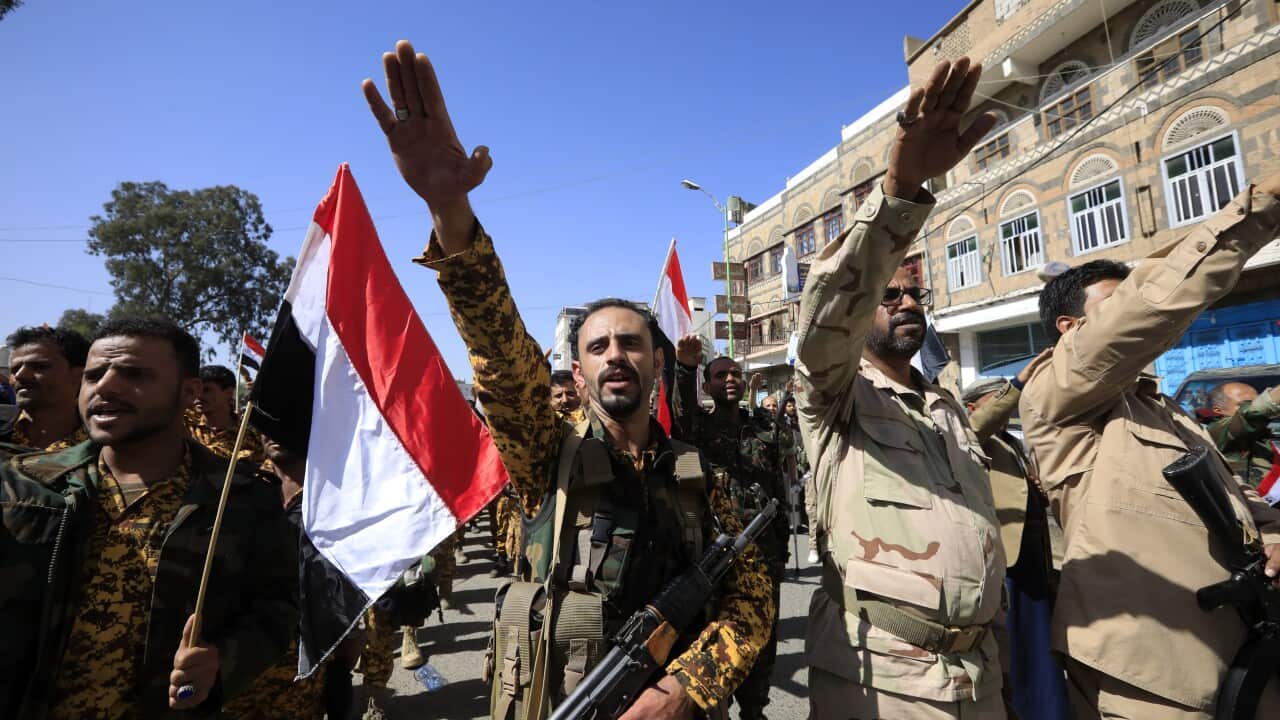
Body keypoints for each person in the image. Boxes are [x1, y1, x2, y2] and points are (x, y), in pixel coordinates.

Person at [362, 39, 773, 718]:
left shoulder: (701, 477)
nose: (617, 354)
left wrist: (686, 688)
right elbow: (499, 354)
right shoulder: (543, 452)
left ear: (657, 362)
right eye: (599, 345)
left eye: (632, 343)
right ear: (577, 374)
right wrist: (449, 215)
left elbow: (752, 601)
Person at [1019, 176, 1280, 719]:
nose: (1135, 313)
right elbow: (1147, 310)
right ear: (1071, 329)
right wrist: (1257, 211)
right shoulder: (1057, 395)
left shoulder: (1164, 409)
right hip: (1151, 672)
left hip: (1243, 653)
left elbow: (1239, 505)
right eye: (1114, 307)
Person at [794, 57, 1007, 718]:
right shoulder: (832, 395)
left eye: (915, 293)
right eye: (889, 296)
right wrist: (903, 184)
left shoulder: (942, 403)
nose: (908, 302)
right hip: (883, 683)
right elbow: (827, 312)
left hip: (979, 673)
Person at [0, 317, 298, 719]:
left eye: (134, 374)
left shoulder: (240, 498)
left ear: (187, 391)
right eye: (94, 375)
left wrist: (221, 662)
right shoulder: (21, 486)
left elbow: (280, 606)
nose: (106, 386)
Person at [672, 338, 791, 720]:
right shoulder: (699, 430)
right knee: (719, 634)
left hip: (764, 553)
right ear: (707, 386)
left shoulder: (762, 428)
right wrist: (685, 369)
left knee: (763, 636)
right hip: (716, 553)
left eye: (735, 373)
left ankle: (755, 709)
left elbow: (784, 462)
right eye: (719, 374)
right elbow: (681, 411)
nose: (729, 379)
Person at [961, 351, 1069, 720]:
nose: (1009, 403)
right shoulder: (969, 433)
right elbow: (976, 427)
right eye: (999, 397)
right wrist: (1019, 382)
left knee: (1040, 644)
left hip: (1031, 556)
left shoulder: (1009, 441)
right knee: (1016, 649)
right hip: (1006, 561)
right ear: (974, 405)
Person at [2, 326, 89, 450]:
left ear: (78, 376)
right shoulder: (4, 434)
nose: (20, 375)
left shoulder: (108, 447)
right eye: (15, 369)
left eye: (39, 367)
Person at [1205, 381, 1280, 487]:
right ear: (1218, 410)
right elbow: (1253, 413)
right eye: (1245, 404)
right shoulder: (1216, 432)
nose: (1252, 406)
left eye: (1256, 400)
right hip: (1247, 501)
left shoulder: (1263, 435)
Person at [187, 364, 265, 464]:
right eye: (197, 390)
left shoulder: (249, 433)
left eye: (206, 390)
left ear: (229, 392)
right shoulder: (184, 423)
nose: (199, 395)